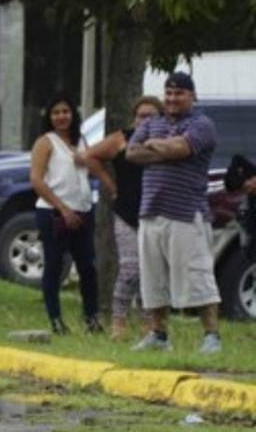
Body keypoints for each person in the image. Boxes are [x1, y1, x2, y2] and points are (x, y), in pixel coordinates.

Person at [126, 72, 222, 353]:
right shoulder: (153, 122)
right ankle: (158, 335)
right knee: (153, 277)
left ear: (192, 96)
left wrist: (156, 146)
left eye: (179, 93)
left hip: (186, 212)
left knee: (198, 274)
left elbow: (183, 148)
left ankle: (212, 336)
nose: (172, 99)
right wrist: (167, 149)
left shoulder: (202, 124)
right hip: (151, 210)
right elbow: (132, 153)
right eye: (168, 93)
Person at [80, 96, 165, 340]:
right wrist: (110, 185)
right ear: (134, 118)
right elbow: (90, 157)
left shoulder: (165, 143)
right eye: (141, 116)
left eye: (151, 116)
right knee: (130, 268)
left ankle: (148, 323)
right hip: (127, 212)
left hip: (155, 212)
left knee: (150, 271)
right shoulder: (122, 139)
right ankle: (118, 320)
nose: (145, 120)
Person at [29, 95, 104, 335]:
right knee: (55, 265)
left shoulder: (81, 140)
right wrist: (62, 209)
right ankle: (56, 320)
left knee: (87, 267)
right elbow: (37, 181)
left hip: (83, 210)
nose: (61, 117)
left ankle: (91, 318)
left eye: (66, 111)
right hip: (54, 213)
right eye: (56, 112)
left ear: (73, 114)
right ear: (49, 117)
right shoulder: (45, 142)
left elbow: (90, 171)